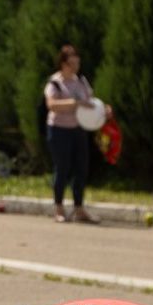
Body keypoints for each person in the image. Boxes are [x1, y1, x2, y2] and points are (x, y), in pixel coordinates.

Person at [43, 44, 103, 223]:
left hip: (78, 130)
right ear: (63, 64)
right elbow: (52, 105)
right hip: (59, 130)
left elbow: (89, 102)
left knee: (81, 168)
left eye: (78, 63)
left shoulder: (81, 81)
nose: (76, 67)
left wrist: (102, 110)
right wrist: (75, 103)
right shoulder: (55, 83)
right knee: (62, 168)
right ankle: (59, 208)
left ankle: (79, 208)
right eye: (72, 63)